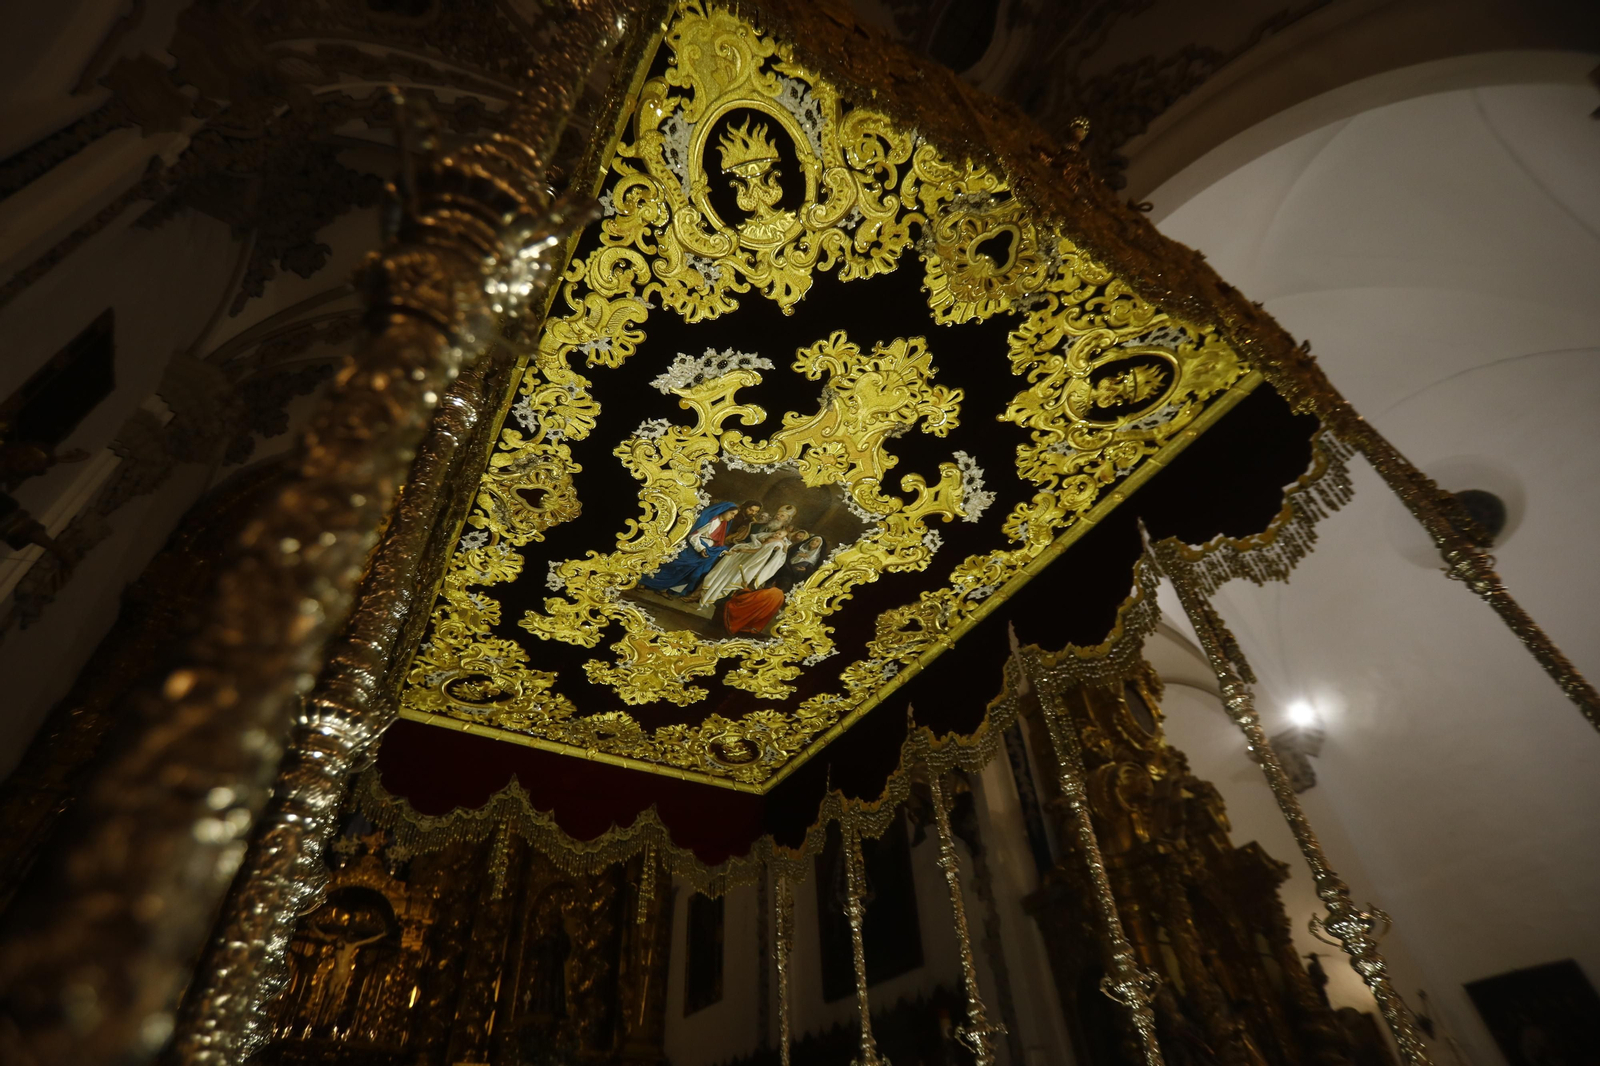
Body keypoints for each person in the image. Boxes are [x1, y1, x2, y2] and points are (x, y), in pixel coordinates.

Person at [638, 499, 761, 596]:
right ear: (723, 510)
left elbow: (717, 542)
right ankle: (644, 581)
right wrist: (701, 549)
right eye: (732, 513)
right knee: (673, 566)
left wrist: (722, 551)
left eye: (735, 514)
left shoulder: (724, 524)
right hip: (694, 550)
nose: (733, 517)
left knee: (689, 573)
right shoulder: (711, 521)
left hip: (706, 552)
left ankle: (664, 589)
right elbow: (693, 536)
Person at [721, 531, 823, 636]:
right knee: (761, 600)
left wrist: (803, 571)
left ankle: (745, 624)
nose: (814, 542)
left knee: (761, 601)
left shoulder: (812, 561)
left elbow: (807, 578)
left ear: (819, 546)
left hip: (785, 584)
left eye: (817, 542)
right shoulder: (794, 551)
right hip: (776, 579)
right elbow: (780, 560)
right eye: (814, 540)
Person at [688, 525, 798, 608]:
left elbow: (758, 551)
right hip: (745, 559)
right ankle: (703, 596)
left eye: (780, 534)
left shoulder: (776, 544)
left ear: (783, 538)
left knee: (729, 578)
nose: (776, 534)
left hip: (750, 561)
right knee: (723, 575)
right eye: (777, 532)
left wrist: (743, 549)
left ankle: (712, 599)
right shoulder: (770, 539)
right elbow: (759, 544)